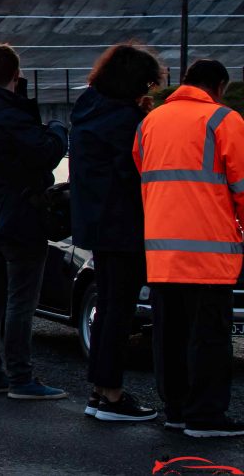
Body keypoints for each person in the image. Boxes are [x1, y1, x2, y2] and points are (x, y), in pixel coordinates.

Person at [133, 59, 244, 438]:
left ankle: (176, 410)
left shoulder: (151, 122)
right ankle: (206, 416)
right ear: (218, 86)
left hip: (162, 252)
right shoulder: (223, 120)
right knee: (209, 336)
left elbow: (144, 173)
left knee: (171, 334)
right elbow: (242, 185)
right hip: (209, 252)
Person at [0, 43, 69, 399]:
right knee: (22, 301)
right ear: (16, 74)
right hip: (22, 216)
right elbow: (44, 154)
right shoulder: (13, 117)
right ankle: (21, 377)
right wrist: (56, 130)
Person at [70, 43, 162, 422]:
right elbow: (138, 173)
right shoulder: (126, 122)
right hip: (125, 223)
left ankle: (100, 391)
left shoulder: (89, 111)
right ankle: (110, 395)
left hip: (95, 222)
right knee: (119, 312)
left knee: (108, 308)